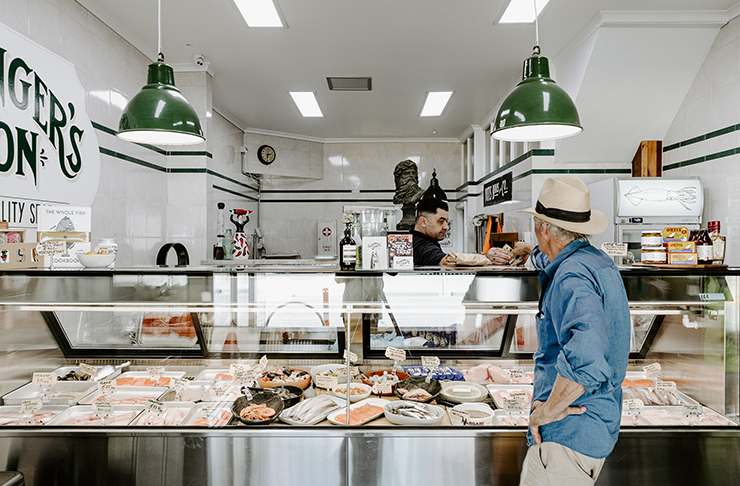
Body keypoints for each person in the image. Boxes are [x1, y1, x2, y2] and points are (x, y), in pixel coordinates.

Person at [514, 177, 631, 486]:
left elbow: (588, 356)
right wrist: (531, 254)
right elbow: (550, 257)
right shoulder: (593, 260)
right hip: (595, 426)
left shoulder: (571, 277)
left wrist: (546, 413)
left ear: (543, 228)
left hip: (567, 434)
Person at [411, 198, 514, 267]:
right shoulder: (423, 246)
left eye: (446, 221)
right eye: (441, 221)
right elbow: (448, 261)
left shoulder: (411, 240)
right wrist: (485, 258)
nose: (446, 227)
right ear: (423, 222)